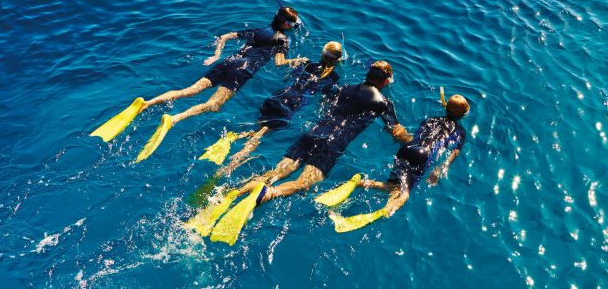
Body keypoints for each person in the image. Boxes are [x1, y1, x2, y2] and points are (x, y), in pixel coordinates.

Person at [186, 61, 411, 244]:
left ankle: (233, 193)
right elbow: (396, 131)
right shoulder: (383, 102)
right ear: (385, 81)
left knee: (275, 172)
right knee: (303, 184)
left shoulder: (344, 89)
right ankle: (267, 194)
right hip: (332, 144)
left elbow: (325, 102)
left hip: (312, 133)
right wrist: (411, 140)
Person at [89, 7, 307, 162]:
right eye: (291, 23)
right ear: (285, 24)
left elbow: (224, 36)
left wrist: (215, 55)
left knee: (189, 91)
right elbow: (280, 64)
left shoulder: (259, 30)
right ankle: (173, 119)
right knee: (214, 105)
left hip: (228, 62)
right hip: (243, 71)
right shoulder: (283, 40)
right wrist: (298, 60)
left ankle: (146, 103)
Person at [325, 94, 470, 232]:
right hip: (423, 156)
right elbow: (453, 153)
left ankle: (359, 183)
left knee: (394, 186)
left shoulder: (431, 120)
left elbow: (418, 135)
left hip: (407, 149)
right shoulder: (460, 132)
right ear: (463, 115)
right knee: (404, 194)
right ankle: (385, 211)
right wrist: (439, 170)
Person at [215, 40, 344, 175]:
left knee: (260, 127)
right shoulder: (334, 77)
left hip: (278, 97)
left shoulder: (308, 64)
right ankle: (229, 166)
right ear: (337, 59)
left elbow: (288, 77)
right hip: (291, 105)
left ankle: (235, 137)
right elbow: (325, 96)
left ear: (322, 54)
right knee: (260, 135)